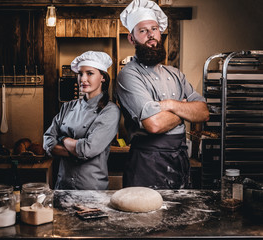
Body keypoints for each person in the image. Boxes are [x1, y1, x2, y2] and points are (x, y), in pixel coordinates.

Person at [116, 0, 210, 189]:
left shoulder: (175, 73)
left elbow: (203, 113)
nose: (151, 35)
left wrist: (170, 105)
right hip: (147, 164)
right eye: (143, 30)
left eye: (154, 29)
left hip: (179, 159)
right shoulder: (128, 75)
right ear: (131, 39)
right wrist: (184, 110)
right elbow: (154, 124)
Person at [43, 51, 120, 190]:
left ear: (102, 77)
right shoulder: (67, 106)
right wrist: (76, 152)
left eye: (89, 73)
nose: (83, 79)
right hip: (62, 187)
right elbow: (47, 141)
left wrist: (63, 139)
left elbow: (88, 149)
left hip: (91, 190)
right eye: (80, 73)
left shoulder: (110, 111)